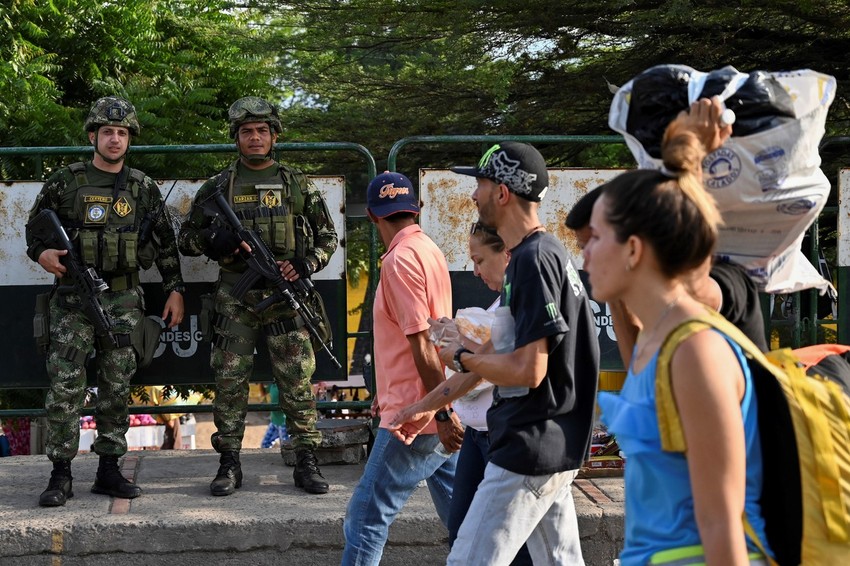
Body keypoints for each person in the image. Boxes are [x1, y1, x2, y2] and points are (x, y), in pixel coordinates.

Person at [584, 98, 773, 565]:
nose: (584, 253)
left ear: (632, 249)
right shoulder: (657, 340)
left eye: (593, 237)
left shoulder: (696, 351)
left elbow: (721, 523)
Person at [394, 142, 601, 565]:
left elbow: (528, 370)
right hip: (552, 447)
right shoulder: (545, 254)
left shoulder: (531, 260)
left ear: (503, 192)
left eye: (481, 184)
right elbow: (495, 350)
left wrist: (460, 357)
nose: (473, 195)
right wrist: (426, 404)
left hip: (529, 447)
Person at [25, 96, 186, 507]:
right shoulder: (65, 182)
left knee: (117, 385)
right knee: (65, 386)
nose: (115, 139)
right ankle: (60, 473)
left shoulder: (142, 186)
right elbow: (34, 232)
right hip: (73, 300)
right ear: (93, 135)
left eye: (122, 133)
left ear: (129, 138)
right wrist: (41, 254)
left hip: (124, 298)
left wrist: (175, 289)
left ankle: (109, 470)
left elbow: (166, 244)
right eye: (107, 132)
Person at [178, 96, 337, 495]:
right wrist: (215, 241)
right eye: (247, 131)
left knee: (297, 381)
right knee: (230, 381)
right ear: (236, 138)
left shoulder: (296, 183)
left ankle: (306, 460)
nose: (255, 137)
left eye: (262, 131)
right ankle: (229, 462)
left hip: (285, 296)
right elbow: (187, 239)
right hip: (236, 295)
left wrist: (306, 264)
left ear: (274, 135)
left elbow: (329, 237)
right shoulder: (218, 186)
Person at [390, 220, 532, 565]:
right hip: (481, 436)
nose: (474, 271)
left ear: (507, 255)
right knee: (464, 534)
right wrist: (422, 407)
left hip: (519, 438)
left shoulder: (525, 302)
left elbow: (496, 371)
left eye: (480, 260)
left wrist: (463, 353)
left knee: (516, 545)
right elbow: (472, 373)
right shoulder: (506, 306)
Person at [341, 171, 463, 566]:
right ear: (416, 209)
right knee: (463, 518)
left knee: (365, 517)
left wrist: (440, 412)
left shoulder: (398, 262)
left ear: (374, 216)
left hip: (416, 415)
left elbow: (422, 341)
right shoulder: (429, 249)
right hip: (433, 402)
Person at [567, 182, 768, 367]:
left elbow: (704, 293)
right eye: (584, 248)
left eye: (595, 241)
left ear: (633, 246)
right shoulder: (631, 294)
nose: (586, 262)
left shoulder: (717, 284)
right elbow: (638, 370)